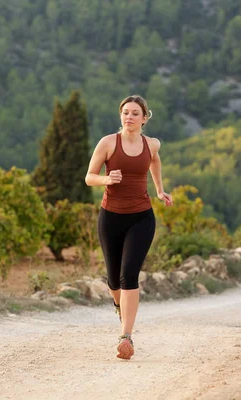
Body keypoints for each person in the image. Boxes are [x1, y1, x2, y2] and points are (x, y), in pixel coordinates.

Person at [85, 95, 173, 360]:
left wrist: (159, 189)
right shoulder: (109, 143)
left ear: (144, 118)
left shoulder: (152, 144)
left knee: (128, 276)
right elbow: (89, 177)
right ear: (120, 116)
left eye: (135, 113)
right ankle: (118, 305)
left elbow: (155, 160)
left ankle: (126, 337)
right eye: (125, 112)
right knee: (113, 281)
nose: (129, 117)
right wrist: (106, 179)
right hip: (110, 217)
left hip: (141, 217)